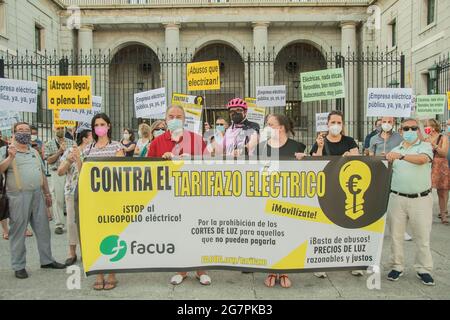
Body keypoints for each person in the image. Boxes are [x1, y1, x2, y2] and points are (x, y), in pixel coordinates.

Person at [147, 105, 210, 285]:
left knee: (197, 232)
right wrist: (163, 161)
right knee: (177, 233)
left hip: (194, 196)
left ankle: (200, 270)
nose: (175, 119)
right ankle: (181, 270)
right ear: (166, 119)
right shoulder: (157, 143)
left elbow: (209, 166)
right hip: (169, 198)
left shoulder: (196, 140)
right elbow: (148, 170)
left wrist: (193, 160)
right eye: (171, 116)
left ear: (184, 119)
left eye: (179, 116)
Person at [0, 122, 65, 279]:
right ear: (14, 133)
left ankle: (47, 260)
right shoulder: (5, 150)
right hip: (17, 196)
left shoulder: (34, 152)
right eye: (20, 130)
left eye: (27, 131)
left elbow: (42, 173)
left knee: (43, 229)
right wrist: (10, 157)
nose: (24, 133)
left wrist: (47, 194)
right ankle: (19, 265)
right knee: (18, 231)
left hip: (37, 195)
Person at [310, 110, 361, 278]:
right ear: (327, 124)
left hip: (346, 190)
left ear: (343, 125)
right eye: (333, 122)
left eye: (339, 123)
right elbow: (314, 162)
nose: (336, 126)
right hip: (326, 189)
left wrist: (349, 155)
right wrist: (319, 147)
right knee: (323, 227)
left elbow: (357, 158)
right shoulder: (320, 141)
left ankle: (353, 263)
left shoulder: (349, 141)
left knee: (348, 226)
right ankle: (320, 264)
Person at [258, 114, 306, 288]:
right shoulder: (260, 147)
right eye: (267, 124)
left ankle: (285, 270)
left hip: (289, 200)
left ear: (281, 127)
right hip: (267, 199)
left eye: (270, 124)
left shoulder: (298, 147)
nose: (267, 127)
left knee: (287, 235)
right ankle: (271, 270)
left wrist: (304, 160)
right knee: (270, 236)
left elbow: (308, 172)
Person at [385, 118, 435, 286]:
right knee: (396, 236)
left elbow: (422, 160)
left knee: (422, 236)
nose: (410, 131)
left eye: (414, 128)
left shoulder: (425, 147)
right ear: (401, 131)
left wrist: (402, 156)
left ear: (419, 131)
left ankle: (424, 269)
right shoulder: (394, 149)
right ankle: (397, 266)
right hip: (397, 198)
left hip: (420, 199)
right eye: (406, 128)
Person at [83, 113, 124, 290]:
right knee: (95, 235)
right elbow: (82, 172)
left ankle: (112, 273)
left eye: (102, 124)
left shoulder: (117, 146)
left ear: (108, 126)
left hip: (111, 198)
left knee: (112, 234)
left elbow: (121, 169)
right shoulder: (87, 149)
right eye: (96, 124)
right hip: (92, 200)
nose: (99, 127)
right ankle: (99, 273)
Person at [57, 127, 93, 266]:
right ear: (84, 138)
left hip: (88, 193)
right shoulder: (70, 150)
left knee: (86, 223)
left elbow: (84, 172)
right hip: (72, 191)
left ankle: (86, 251)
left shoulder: (92, 151)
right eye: (91, 136)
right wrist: (68, 160)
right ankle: (72, 252)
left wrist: (79, 159)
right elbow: (60, 171)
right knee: (72, 222)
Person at [45, 126, 75, 235]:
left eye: (62, 128)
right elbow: (49, 161)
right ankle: (59, 224)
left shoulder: (72, 142)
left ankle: (73, 222)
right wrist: (59, 151)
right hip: (56, 172)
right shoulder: (49, 144)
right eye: (57, 128)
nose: (60, 130)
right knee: (58, 198)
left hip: (70, 173)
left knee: (71, 197)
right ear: (53, 129)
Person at [423, 119, 449, 225]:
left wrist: (434, 145)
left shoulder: (443, 138)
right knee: (426, 191)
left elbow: (444, 153)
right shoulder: (425, 140)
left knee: (442, 192)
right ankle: (425, 215)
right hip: (428, 166)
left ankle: (443, 215)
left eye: (427, 126)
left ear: (434, 127)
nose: (426, 128)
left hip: (441, 166)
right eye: (425, 126)